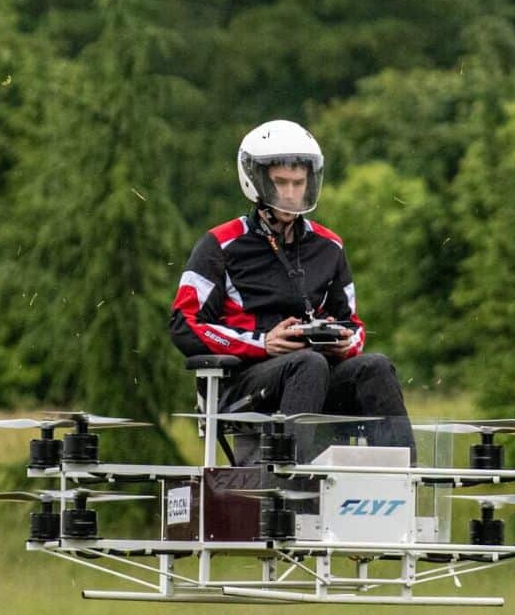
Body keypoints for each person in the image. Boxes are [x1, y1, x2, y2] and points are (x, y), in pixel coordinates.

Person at [169, 119, 414, 464]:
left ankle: (402, 484)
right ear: (255, 182)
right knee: (308, 364)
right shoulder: (220, 244)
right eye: (280, 183)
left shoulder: (330, 247)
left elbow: (354, 324)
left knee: (376, 367)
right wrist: (262, 342)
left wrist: (346, 342)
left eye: (298, 183)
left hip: (313, 376)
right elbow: (184, 323)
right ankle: (288, 485)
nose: (290, 193)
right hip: (244, 383)